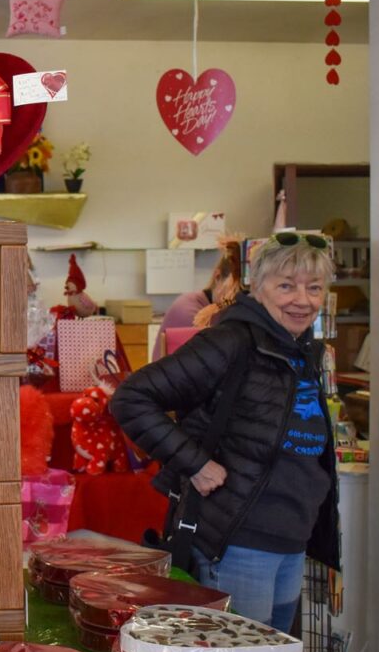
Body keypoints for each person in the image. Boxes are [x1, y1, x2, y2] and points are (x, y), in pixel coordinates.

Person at [110, 233, 340, 631]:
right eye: (286, 285)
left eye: (314, 287)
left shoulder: (302, 351)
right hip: (239, 541)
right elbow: (131, 398)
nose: (302, 299)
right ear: (258, 287)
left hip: (292, 539)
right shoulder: (229, 342)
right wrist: (195, 463)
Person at [151, 238, 243, 361]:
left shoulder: (220, 310)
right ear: (217, 277)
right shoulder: (189, 311)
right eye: (235, 291)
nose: (239, 299)